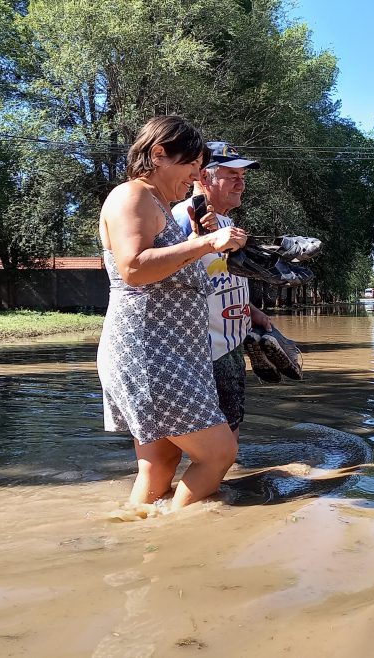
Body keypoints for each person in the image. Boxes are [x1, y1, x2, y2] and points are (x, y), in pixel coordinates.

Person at [97, 116, 247, 512]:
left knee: (160, 464)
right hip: (150, 353)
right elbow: (134, 268)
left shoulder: (158, 203)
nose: (196, 177)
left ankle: (141, 539)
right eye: (191, 167)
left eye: (201, 168)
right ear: (159, 154)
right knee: (218, 454)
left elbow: (170, 267)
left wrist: (203, 242)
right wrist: (205, 244)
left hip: (170, 353)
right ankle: (175, 539)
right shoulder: (132, 197)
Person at [172, 141, 275, 446]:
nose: (241, 183)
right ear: (204, 177)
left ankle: (216, 492)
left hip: (229, 344)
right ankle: (212, 493)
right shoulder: (184, 215)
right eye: (232, 175)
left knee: (228, 435)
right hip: (201, 350)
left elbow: (222, 276)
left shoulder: (227, 223)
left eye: (243, 176)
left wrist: (250, 310)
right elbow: (166, 273)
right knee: (217, 447)